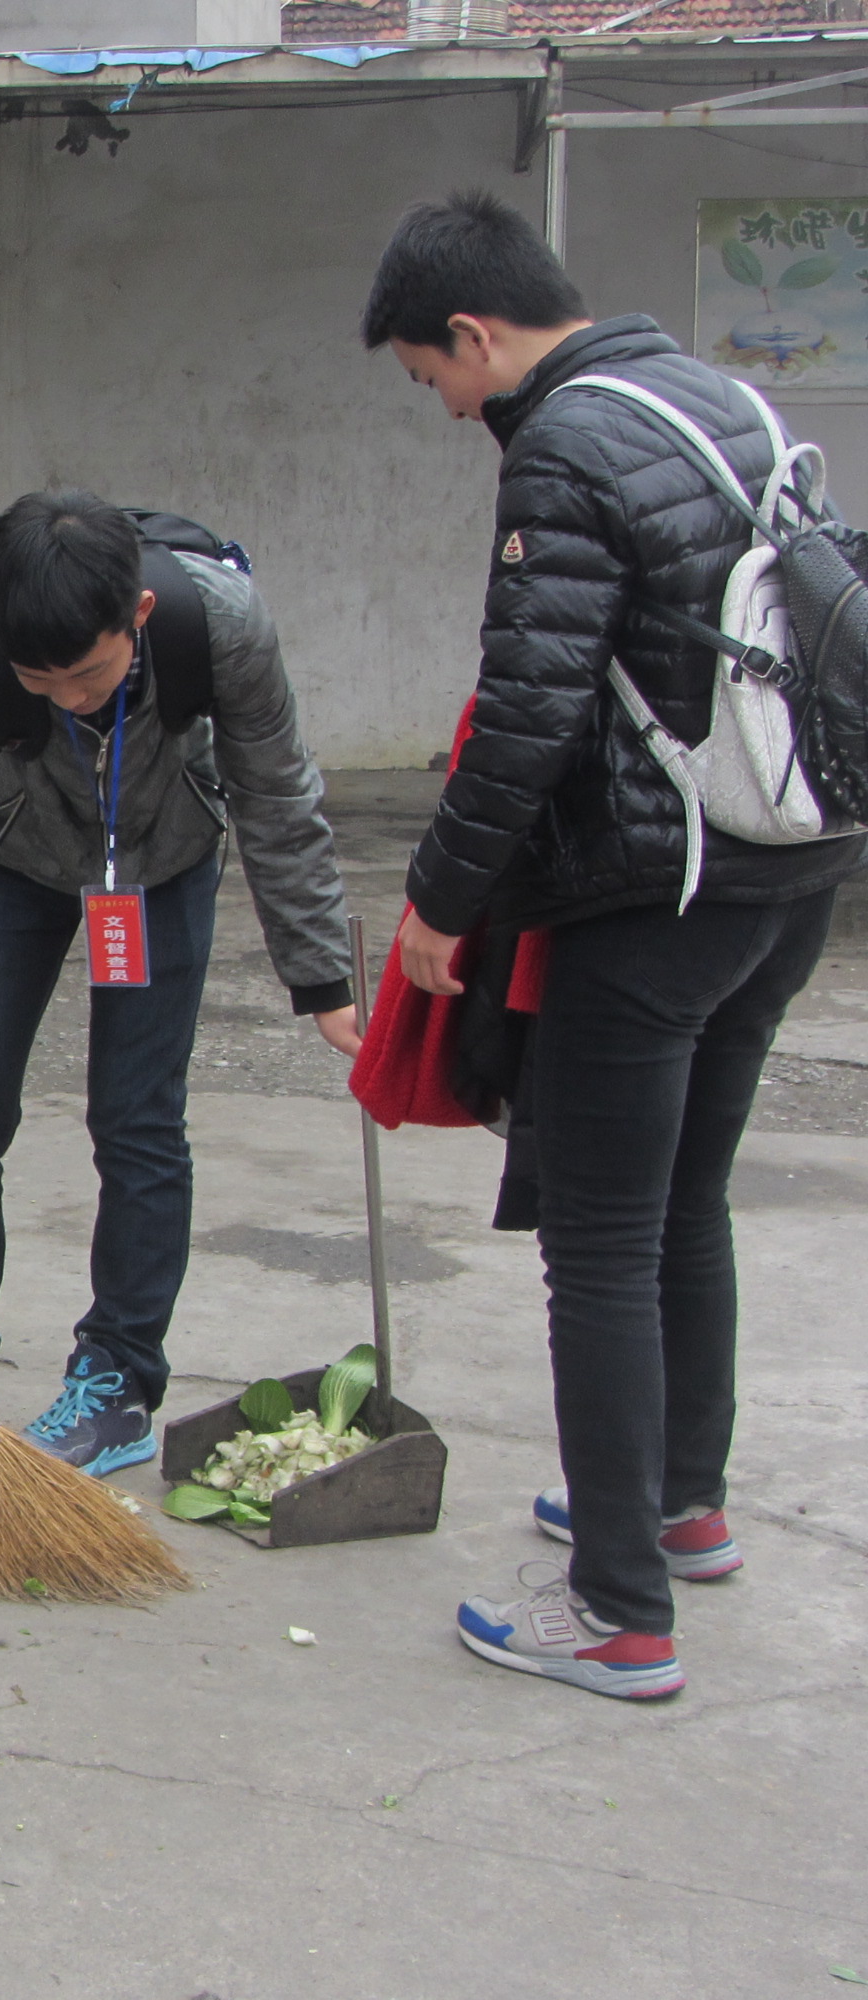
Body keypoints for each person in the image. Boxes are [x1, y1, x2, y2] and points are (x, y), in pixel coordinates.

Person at [363, 192, 867, 1701]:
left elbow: (526, 711)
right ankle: (674, 1504)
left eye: (429, 377)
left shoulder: (569, 443)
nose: (446, 407)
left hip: (661, 897)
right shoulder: (723, 398)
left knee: (598, 1241)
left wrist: (439, 905)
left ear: (475, 334)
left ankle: (617, 1609)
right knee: (683, 1200)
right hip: (796, 869)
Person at [0, 490, 359, 1471]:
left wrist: (322, 981)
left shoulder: (219, 624)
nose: (69, 698)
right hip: (13, 855)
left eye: (91, 675)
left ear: (136, 620)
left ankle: (115, 1381)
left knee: (137, 1119)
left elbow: (278, 793)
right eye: (41, 680)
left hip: (162, 859)